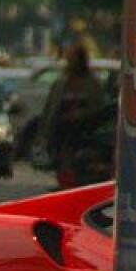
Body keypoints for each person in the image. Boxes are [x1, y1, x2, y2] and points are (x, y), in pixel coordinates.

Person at [39, 40, 110, 186]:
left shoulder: (92, 84)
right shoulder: (61, 82)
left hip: (84, 134)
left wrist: (81, 114)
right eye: (69, 58)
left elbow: (99, 108)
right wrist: (45, 133)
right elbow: (51, 108)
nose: (70, 62)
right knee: (63, 164)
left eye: (73, 58)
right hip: (62, 133)